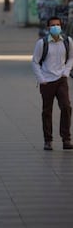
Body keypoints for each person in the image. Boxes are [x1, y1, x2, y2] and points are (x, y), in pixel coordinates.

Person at [32, 16, 73, 151]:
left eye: (57, 25)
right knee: (47, 111)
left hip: (61, 80)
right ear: (48, 28)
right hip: (46, 82)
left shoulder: (67, 41)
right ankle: (48, 140)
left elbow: (71, 58)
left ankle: (66, 139)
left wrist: (65, 72)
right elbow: (35, 62)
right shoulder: (42, 43)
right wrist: (41, 79)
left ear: (61, 26)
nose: (55, 27)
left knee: (66, 107)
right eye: (52, 25)